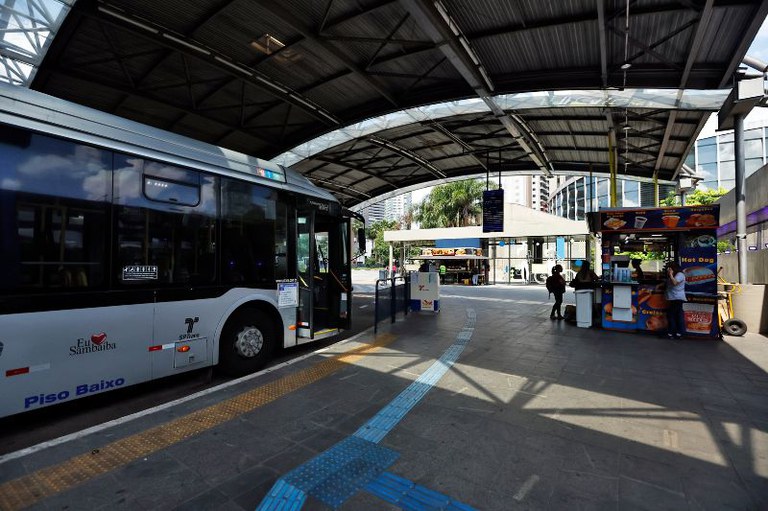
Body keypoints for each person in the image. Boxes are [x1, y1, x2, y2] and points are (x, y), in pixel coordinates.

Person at [664, 261, 686, 339]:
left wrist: (670, 274)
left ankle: (671, 333)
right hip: (673, 297)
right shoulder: (675, 274)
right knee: (676, 315)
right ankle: (678, 333)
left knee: (671, 315)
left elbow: (674, 283)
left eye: (669, 268)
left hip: (677, 298)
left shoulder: (680, 275)